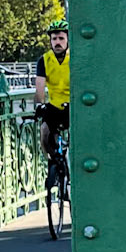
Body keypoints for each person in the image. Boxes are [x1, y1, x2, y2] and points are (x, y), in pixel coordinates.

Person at [34, 20, 71, 156]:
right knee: (44, 132)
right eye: (54, 38)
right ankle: (52, 162)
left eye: (61, 38)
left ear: (68, 40)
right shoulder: (44, 60)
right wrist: (39, 104)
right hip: (55, 106)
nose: (57, 42)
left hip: (74, 106)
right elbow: (40, 87)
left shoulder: (75, 58)